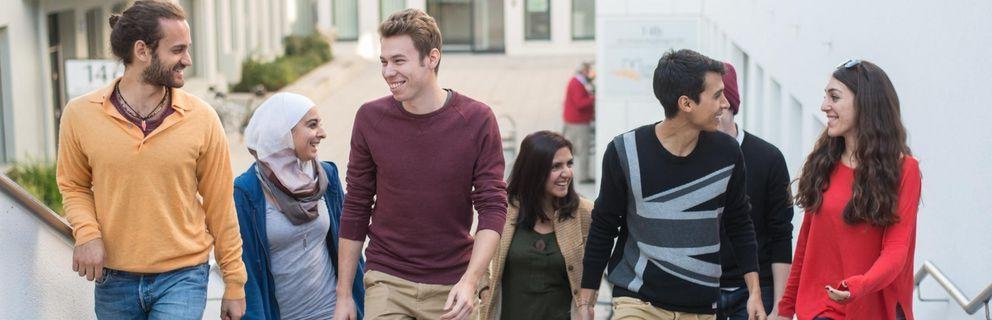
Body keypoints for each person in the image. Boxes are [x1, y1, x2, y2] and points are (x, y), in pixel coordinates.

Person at [55, 1, 246, 319]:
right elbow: (73, 185)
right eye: (178, 50)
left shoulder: (202, 119)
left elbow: (220, 206)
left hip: (183, 276)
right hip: (113, 278)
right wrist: (88, 233)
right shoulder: (80, 114)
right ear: (142, 51)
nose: (187, 60)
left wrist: (235, 282)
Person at [333, 8, 508, 320]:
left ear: (432, 58)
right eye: (384, 62)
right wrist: (344, 295)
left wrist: (470, 281)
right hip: (387, 279)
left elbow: (493, 208)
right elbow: (357, 204)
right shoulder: (369, 119)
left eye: (399, 61)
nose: (388, 72)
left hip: (453, 285)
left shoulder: (477, 120)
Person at [578, 49, 766, 320]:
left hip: (700, 308)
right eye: (716, 95)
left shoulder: (728, 153)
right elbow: (604, 227)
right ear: (686, 104)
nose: (725, 104)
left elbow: (739, 223)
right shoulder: (625, 152)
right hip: (637, 302)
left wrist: (755, 293)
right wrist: (586, 301)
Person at [775, 60, 921, 320]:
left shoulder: (904, 170)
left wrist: (858, 285)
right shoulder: (823, 162)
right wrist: (785, 309)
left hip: (877, 309)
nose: (824, 106)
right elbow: (807, 243)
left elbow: (896, 250)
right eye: (825, 96)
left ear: (865, 103)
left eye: (834, 97)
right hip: (824, 309)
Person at [234, 92, 365, 319]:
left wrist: (351, 298)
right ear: (283, 132)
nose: (322, 134)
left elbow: (348, 244)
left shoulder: (327, 176)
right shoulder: (247, 191)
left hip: (331, 312)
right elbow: (248, 271)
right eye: (312, 125)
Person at [478, 131, 594, 320]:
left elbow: (595, 267)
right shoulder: (503, 209)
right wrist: (484, 291)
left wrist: (586, 305)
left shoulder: (585, 212)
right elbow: (477, 252)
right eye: (556, 166)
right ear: (534, 170)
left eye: (569, 164)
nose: (567, 173)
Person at [715, 62, 794, 320]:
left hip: (758, 290)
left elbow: (781, 233)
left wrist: (781, 308)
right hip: (704, 291)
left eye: (721, 102)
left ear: (729, 104)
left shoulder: (769, 158)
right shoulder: (692, 158)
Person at [562, 61, 597, 184]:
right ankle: (583, 176)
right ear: (584, 71)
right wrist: (594, 97)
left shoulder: (577, 82)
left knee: (574, 148)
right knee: (583, 150)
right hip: (578, 122)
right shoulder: (577, 83)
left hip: (574, 120)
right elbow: (580, 103)